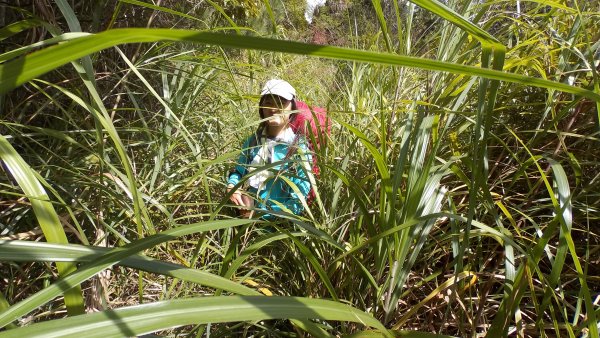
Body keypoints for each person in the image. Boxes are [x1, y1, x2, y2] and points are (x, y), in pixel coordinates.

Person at [226, 79, 312, 219]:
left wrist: (261, 215)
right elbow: (238, 172)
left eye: (281, 103)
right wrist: (232, 186)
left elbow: (298, 201)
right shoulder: (253, 141)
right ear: (262, 108)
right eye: (268, 102)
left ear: (292, 107)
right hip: (245, 220)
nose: (273, 109)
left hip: (279, 229)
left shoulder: (299, 148)